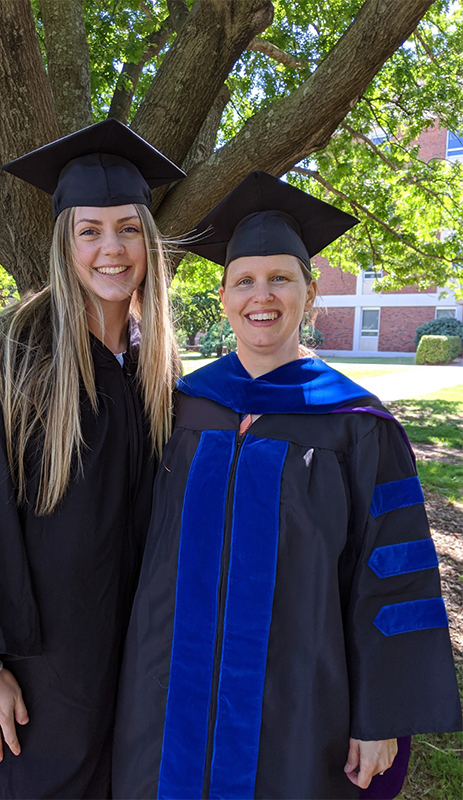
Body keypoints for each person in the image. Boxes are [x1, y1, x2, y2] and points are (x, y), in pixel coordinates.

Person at [112, 171, 461, 800]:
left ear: (310, 291)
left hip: (299, 699)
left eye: (280, 278)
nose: (261, 296)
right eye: (244, 280)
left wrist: (380, 716)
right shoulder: (179, 408)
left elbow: (392, 576)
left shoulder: (356, 426)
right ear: (222, 296)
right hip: (167, 693)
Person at [0, 118, 184, 799]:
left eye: (129, 228)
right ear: (63, 243)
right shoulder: (9, 353)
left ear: (149, 243)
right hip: (37, 664)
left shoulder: (157, 366)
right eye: (89, 231)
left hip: (132, 656)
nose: (112, 248)